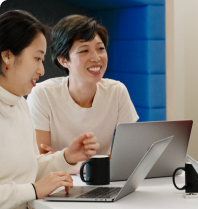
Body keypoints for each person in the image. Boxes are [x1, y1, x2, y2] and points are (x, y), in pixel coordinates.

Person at [0, 10, 100, 209]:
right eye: (37, 58)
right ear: (7, 56)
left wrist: (66, 157)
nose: (42, 70)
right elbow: (31, 185)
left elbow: (29, 170)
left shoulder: (19, 102)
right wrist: (34, 190)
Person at [27, 15, 139, 173]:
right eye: (84, 50)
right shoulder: (42, 94)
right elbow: (40, 160)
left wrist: (64, 161)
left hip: (103, 184)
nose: (96, 57)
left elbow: (128, 156)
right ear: (63, 60)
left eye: (100, 49)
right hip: (57, 186)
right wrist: (95, 165)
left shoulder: (117, 91)